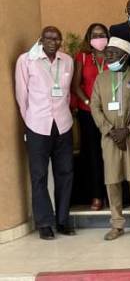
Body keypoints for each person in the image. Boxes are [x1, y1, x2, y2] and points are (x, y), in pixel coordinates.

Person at [15, 27, 76, 240]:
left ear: (60, 41)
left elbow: (67, 95)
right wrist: (31, 121)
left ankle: (62, 220)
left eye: (57, 38)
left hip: (63, 124)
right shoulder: (26, 61)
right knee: (39, 176)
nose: (53, 41)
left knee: (65, 173)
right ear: (41, 39)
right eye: (49, 37)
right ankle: (44, 223)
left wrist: (62, 115)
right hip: (37, 126)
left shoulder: (67, 60)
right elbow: (22, 96)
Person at [89, 37, 130, 240]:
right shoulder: (101, 78)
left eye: (113, 53)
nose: (109, 57)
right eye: (107, 53)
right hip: (109, 138)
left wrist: (128, 130)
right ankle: (117, 224)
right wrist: (110, 130)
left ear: (125, 56)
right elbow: (95, 107)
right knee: (112, 180)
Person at [71, 23, 109, 211]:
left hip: (110, 114)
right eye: (95, 35)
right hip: (88, 114)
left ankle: (113, 194)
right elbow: (76, 85)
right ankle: (96, 196)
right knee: (93, 155)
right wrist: (89, 104)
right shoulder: (82, 57)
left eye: (102, 34)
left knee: (110, 154)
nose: (99, 38)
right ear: (88, 37)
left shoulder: (113, 56)